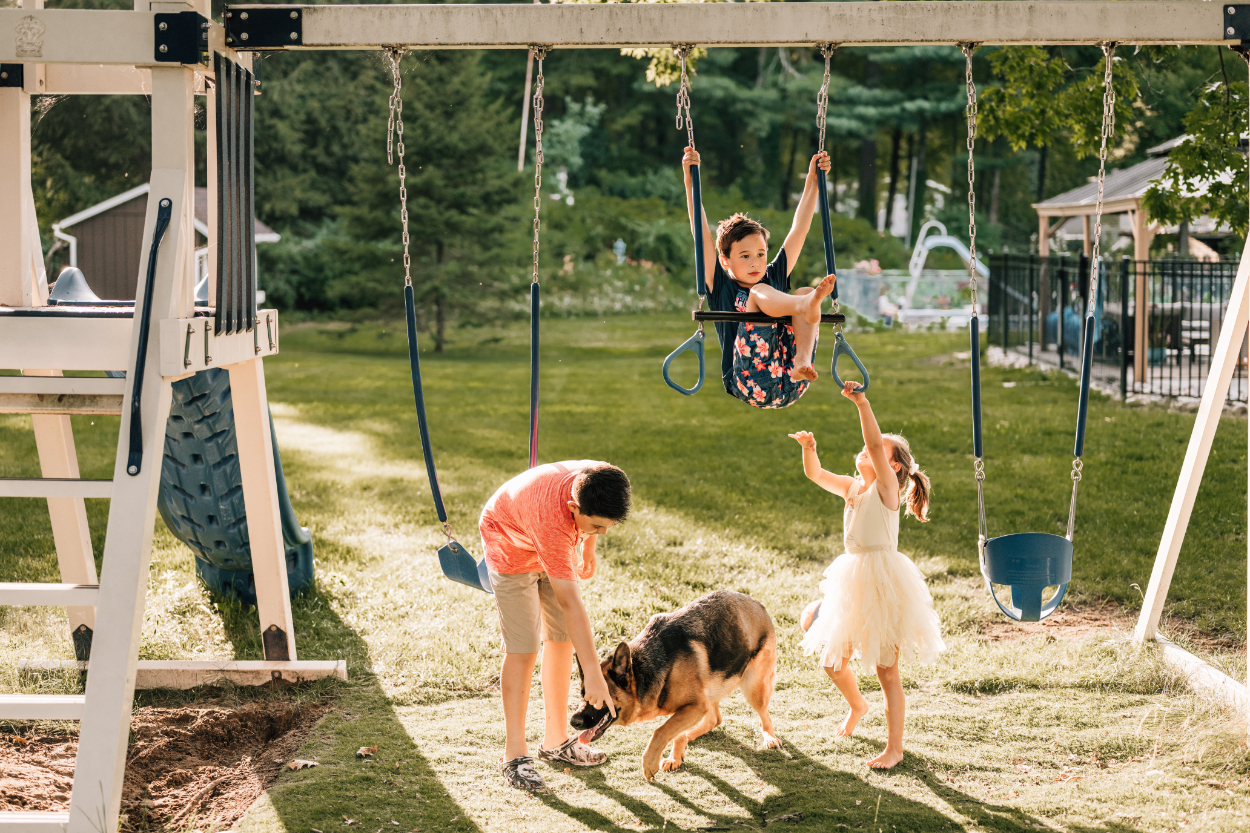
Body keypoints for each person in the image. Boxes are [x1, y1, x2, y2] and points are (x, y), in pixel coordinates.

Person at [789, 382, 944, 769]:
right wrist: (810, 450)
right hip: (852, 578)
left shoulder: (887, 490)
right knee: (831, 659)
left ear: (892, 465)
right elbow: (816, 475)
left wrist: (862, 402)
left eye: (878, 450)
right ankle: (858, 705)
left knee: (886, 669)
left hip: (882, 581)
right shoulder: (854, 488)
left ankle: (895, 748)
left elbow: (874, 445)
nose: (867, 450)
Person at [479, 461, 631, 791]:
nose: (603, 532)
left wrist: (589, 542)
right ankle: (514, 756)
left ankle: (555, 742)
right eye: (596, 526)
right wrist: (592, 673)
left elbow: (588, 522)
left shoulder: (600, 477)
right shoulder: (552, 520)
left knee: (561, 638)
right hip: (511, 546)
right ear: (574, 508)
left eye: (608, 527)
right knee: (524, 648)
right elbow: (570, 603)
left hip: (552, 539)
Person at [681, 147, 837, 409]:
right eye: (744, 256)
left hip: (792, 379)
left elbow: (800, 228)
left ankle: (802, 357)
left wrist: (813, 181)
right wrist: (690, 180)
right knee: (760, 294)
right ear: (725, 261)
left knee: (802, 290)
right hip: (748, 381)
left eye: (760, 254)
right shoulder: (721, 287)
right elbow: (701, 234)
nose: (755, 262)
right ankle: (804, 306)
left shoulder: (774, 274)